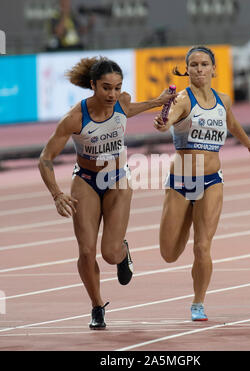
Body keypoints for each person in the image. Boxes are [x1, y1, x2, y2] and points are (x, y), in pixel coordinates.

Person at [38, 56, 175, 330]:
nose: (112, 94)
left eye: (117, 87)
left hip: (117, 180)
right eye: (105, 88)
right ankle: (97, 306)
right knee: (87, 251)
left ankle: (123, 252)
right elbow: (45, 158)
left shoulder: (121, 103)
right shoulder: (75, 118)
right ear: (93, 86)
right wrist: (56, 194)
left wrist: (159, 101)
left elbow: (135, 107)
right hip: (86, 180)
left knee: (109, 253)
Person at [153, 46, 250, 321]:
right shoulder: (182, 99)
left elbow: (231, 122)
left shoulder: (223, 99)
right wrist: (161, 122)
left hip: (212, 181)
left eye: (204, 64)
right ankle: (184, 221)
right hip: (181, 181)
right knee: (169, 253)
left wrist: (247, 141)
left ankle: (198, 303)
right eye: (194, 65)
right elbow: (166, 119)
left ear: (214, 68)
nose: (200, 69)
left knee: (202, 246)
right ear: (187, 69)